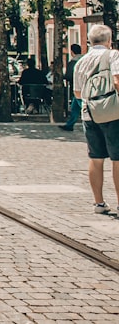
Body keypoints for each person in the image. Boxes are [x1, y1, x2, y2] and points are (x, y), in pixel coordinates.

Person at [73, 24, 119, 214]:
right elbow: (117, 80)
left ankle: (99, 203)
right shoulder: (113, 55)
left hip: (89, 113)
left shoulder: (81, 62)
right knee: (117, 159)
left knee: (96, 157)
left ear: (90, 42)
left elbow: (77, 93)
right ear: (109, 41)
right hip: (113, 113)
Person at [61, 44, 84, 131]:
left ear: (72, 52)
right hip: (84, 86)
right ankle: (70, 124)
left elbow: (68, 76)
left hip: (76, 87)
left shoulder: (72, 62)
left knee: (82, 105)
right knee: (75, 107)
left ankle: (96, 122)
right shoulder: (85, 59)